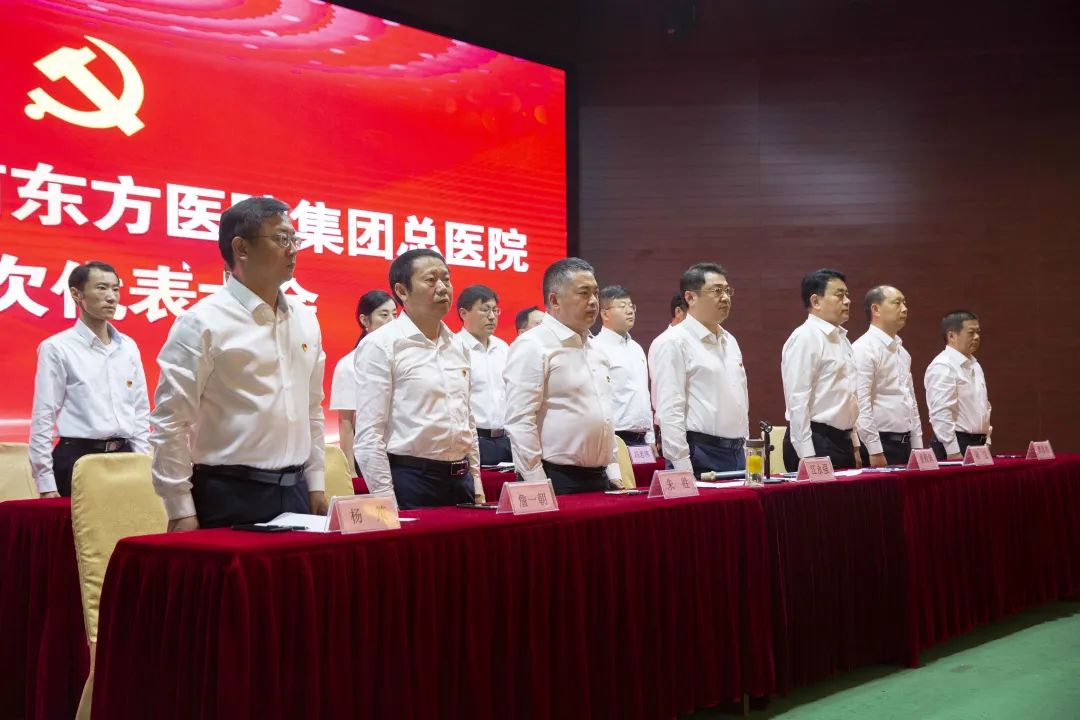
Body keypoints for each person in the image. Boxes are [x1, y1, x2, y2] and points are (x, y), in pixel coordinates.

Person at [150, 197, 327, 530]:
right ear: (241, 248)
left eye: (295, 239)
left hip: (297, 492)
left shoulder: (306, 320)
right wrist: (180, 509)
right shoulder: (202, 322)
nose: (293, 249)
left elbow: (312, 409)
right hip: (229, 495)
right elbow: (170, 421)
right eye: (281, 239)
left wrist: (315, 483)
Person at [353, 249, 484, 509]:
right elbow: (369, 434)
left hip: (461, 481)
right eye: (431, 280)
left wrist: (477, 483)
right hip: (411, 481)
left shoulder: (458, 345)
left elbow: (467, 418)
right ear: (402, 291)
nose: (443, 288)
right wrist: (386, 501)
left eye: (446, 279)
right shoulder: (381, 345)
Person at [29, 261, 150, 497]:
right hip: (79, 459)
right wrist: (45, 481)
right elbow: (44, 415)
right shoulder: (57, 347)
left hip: (125, 457)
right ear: (77, 294)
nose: (111, 297)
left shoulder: (128, 347)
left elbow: (140, 410)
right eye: (101, 288)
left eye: (115, 289)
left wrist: (142, 460)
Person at [503, 258, 622, 494]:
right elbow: (520, 420)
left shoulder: (596, 349)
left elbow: (604, 415)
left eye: (595, 293)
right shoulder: (532, 345)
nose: (593, 301)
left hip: (600, 478)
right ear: (554, 300)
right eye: (584, 293)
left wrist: (613, 471)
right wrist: (536, 482)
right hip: (555, 478)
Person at [651, 264, 748, 475]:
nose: (725, 297)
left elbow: (741, 400)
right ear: (690, 297)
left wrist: (746, 449)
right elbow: (670, 409)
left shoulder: (730, 341)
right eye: (717, 291)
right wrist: (681, 465)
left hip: (736, 452)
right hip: (699, 453)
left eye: (727, 290)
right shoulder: (673, 342)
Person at [781, 268, 861, 471]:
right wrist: (807, 455)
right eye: (839, 295)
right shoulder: (805, 337)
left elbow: (849, 397)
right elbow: (797, 400)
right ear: (816, 301)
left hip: (842, 441)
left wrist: (855, 444)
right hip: (815, 441)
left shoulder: (842, 339)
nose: (847, 301)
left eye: (847, 295)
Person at [852, 286, 924, 466]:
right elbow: (861, 404)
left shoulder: (903, 352)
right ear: (876, 309)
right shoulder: (863, 349)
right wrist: (875, 449)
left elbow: (911, 402)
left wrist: (918, 447)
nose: (904, 309)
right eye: (897, 303)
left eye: (905, 303)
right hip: (881, 444)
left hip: (906, 444)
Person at [328, 290, 395, 473]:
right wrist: (350, 471)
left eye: (394, 314)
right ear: (365, 320)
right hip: (369, 456)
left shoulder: (405, 358)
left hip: (405, 457)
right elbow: (346, 422)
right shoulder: (349, 364)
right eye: (384, 315)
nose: (392, 321)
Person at [593, 286, 654, 453]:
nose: (630, 311)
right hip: (615, 437)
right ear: (605, 314)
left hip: (642, 438)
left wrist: (650, 437)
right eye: (622, 306)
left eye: (631, 306)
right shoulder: (596, 348)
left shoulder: (636, 348)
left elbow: (644, 394)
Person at [456, 284, 512, 465]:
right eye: (485, 310)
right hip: (471, 440)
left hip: (505, 440)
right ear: (463, 313)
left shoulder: (503, 348)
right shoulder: (454, 348)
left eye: (495, 310)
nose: (492, 316)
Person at [924, 311, 991, 460]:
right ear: (952, 336)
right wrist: (953, 451)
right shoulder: (943, 365)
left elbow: (984, 406)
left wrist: (986, 441)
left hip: (977, 444)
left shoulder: (975, 365)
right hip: (955, 446)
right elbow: (941, 412)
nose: (977, 337)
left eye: (978, 332)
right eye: (971, 333)